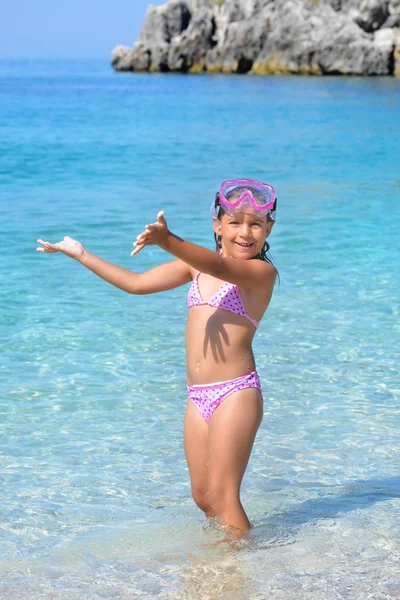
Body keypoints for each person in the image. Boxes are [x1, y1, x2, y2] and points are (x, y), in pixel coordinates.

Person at [36, 179, 278, 535]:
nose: (245, 233)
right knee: (203, 497)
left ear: (268, 228)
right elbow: (135, 284)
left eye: (255, 224)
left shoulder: (260, 273)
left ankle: (239, 571)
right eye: (234, 223)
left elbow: (221, 268)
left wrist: (169, 242)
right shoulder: (195, 268)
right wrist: (80, 253)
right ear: (217, 225)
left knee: (225, 497)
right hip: (197, 398)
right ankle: (224, 563)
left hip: (235, 392)